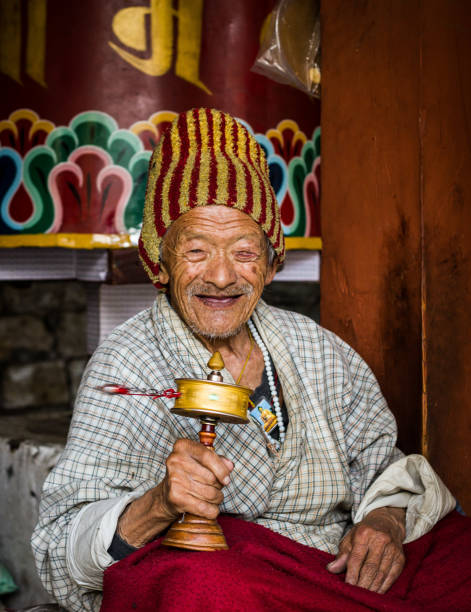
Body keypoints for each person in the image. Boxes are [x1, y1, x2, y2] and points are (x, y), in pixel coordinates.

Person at [32, 108, 455, 612]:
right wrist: (160, 503)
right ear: (160, 260)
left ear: (272, 260)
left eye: (243, 251)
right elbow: (59, 550)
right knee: (198, 586)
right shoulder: (127, 364)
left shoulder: (316, 349)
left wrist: (384, 521)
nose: (221, 276)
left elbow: (383, 469)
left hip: (328, 573)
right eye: (196, 250)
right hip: (235, 581)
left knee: (457, 555)